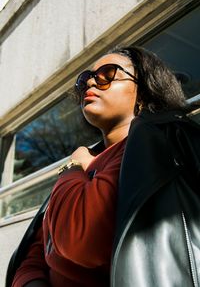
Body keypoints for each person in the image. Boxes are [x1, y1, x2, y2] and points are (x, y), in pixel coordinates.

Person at [8, 46, 200, 287]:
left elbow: (81, 242)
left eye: (107, 75)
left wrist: (73, 166)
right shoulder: (87, 162)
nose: (90, 83)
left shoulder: (153, 148)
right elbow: (36, 250)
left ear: (143, 92)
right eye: (85, 79)